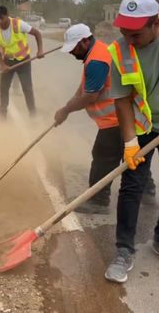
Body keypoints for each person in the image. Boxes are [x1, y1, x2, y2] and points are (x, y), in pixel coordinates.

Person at [103, 0, 159, 283]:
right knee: (132, 183)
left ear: (156, 23)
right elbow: (122, 100)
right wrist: (129, 143)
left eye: (136, 34)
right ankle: (124, 250)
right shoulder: (119, 51)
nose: (130, 40)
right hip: (142, 123)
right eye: (125, 32)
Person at [53, 24, 122, 214]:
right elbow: (84, 87)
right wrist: (66, 107)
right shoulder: (95, 52)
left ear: (84, 41)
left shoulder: (97, 60)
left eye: (74, 48)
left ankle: (99, 201)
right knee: (132, 155)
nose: (72, 53)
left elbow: (90, 96)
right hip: (119, 117)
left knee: (102, 157)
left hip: (116, 119)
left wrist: (66, 110)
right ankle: (148, 192)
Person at [0, 6, 45, 118]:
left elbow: (37, 34)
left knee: (27, 88)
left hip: (24, 61)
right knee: (4, 88)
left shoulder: (19, 24)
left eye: (1, 17)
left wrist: (40, 50)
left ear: (7, 15)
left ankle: (33, 114)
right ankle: (2, 114)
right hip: (8, 61)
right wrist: (2, 64)